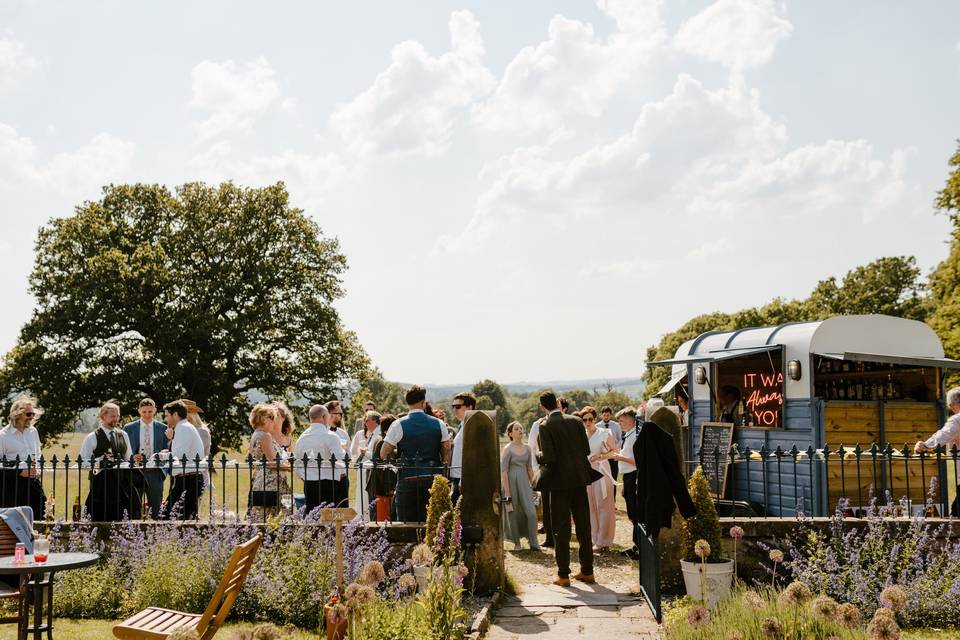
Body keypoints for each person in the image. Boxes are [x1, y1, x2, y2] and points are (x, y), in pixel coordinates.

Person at [533, 390, 595, 586]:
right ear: (558, 403)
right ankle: (587, 571)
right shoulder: (576, 422)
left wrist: (538, 455)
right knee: (584, 526)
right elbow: (586, 450)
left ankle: (563, 575)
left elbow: (549, 458)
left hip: (559, 483)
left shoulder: (545, 425)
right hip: (579, 480)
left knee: (562, 528)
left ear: (543, 407)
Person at [380, 385, 451, 522]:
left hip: (408, 479)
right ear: (423, 403)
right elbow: (446, 454)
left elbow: (383, 453)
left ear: (408, 403)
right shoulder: (439, 424)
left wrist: (397, 456)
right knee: (433, 524)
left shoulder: (398, 425)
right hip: (433, 478)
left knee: (407, 524)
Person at [80, 401, 139, 521]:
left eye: (117, 415)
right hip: (101, 486)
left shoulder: (124, 435)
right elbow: (82, 462)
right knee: (99, 520)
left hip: (123, 486)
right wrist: (99, 462)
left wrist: (133, 460)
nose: (116, 419)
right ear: (102, 416)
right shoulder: (92, 437)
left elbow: (128, 459)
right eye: (112, 416)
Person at [293, 404, 347, 514]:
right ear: (324, 417)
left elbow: (296, 462)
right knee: (331, 517)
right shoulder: (331, 436)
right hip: (330, 483)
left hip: (310, 483)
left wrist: (304, 476)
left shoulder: (302, 438)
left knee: (312, 516)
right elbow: (341, 461)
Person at [916, 386, 960, 515]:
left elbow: (943, 435)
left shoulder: (957, 419)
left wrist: (925, 446)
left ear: (952, 405)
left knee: (956, 516)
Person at [157, 400, 205, 520]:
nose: (165, 419)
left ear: (176, 415)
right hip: (187, 478)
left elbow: (180, 454)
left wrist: (162, 456)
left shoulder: (183, 428)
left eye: (167, 415)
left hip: (188, 479)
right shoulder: (185, 427)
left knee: (169, 517)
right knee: (180, 518)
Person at [0, 396, 46, 520]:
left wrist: (39, 469)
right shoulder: (3, 436)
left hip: (33, 483)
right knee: (15, 522)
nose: (32, 417)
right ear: (17, 414)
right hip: (12, 486)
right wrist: (20, 472)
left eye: (33, 414)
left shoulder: (33, 432)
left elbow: (38, 454)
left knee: (41, 515)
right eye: (29, 414)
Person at [123, 398, 169, 519]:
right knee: (134, 505)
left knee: (156, 506)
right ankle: (133, 532)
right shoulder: (128, 428)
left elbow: (168, 449)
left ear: (155, 411)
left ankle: (155, 533)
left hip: (155, 471)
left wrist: (161, 454)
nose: (147, 415)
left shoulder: (163, 428)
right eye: (144, 412)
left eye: (150, 411)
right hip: (135, 471)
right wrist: (132, 456)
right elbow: (123, 449)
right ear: (139, 411)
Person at [245, 403, 291, 520]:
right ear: (264, 419)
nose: (274, 421)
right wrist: (290, 467)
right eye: (272, 418)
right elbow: (273, 463)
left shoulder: (256, 434)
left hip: (261, 480)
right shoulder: (265, 436)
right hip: (271, 483)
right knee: (271, 518)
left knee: (262, 518)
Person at [501, 421, 541, 551]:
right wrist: (507, 492)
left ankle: (534, 543)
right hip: (510, 483)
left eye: (521, 428)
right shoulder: (507, 448)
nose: (520, 430)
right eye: (516, 429)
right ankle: (517, 542)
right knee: (513, 512)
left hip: (524, 482)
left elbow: (529, 468)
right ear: (510, 433)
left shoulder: (528, 448)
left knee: (531, 512)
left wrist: (535, 485)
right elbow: (504, 471)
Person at [581, 406, 617, 553]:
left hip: (602, 471)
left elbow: (615, 451)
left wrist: (601, 456)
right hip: (587, 473)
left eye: (590, 419)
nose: (588, 422)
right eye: (585, 419)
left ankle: (604, 541)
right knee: (590, 507)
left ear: (595, 419)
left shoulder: (604, 433)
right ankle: (594, 539)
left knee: (603, 507)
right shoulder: (581, 435)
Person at [607, 407, 640, 559]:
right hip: (627, 477)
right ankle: (636, 545)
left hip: (634, 476)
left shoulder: (635, 437)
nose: (619, 423)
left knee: (635, 513)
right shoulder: (629, 435)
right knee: (632, 513)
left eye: (621, 420)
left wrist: (619, 458)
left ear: (630, 419)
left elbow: (637, 461)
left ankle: (639, 547)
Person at [350, 410, 382, 519]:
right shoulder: (373, 434)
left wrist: (365, 452)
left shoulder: (378, 434)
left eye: (367, 420)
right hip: (365, 469)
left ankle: (365, 517)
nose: (365, 423)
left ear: (374, 421)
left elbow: (376, 455)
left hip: (369, 471)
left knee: (366, 495)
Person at [369, 414, 399, 521]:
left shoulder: (380, 440)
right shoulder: (382, 443)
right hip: (382, 488)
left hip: (380, 487)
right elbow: (384, 468)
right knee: (382, 519)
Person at [449, 391, 477, 505]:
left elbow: (474, 455)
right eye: (453, 406)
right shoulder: (462, 425)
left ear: (470, 407)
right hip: (456, 477)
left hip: (463, 478)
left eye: (458, 406)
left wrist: (462, 480)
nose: (454, 410)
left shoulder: (472, 425)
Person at [326, 400, 350, 501]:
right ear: (329, 414)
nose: (340, 416)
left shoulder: (344, 434)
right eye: (338, 413)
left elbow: (349, 455)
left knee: (343, 508)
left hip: (342, 478)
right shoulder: (323, 433)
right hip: (327, 478)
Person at [598, 406, 622, 496]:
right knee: (603, 478)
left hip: (613, 454)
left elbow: (621, 439)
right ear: (602, 415)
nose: (606, 417)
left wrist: (615, 447)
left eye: (607, 415)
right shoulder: (597, 426)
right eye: (604, 415)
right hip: (603, 456)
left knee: (613, 477)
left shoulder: (616, 425)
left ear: (610, 415)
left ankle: (613, 500)